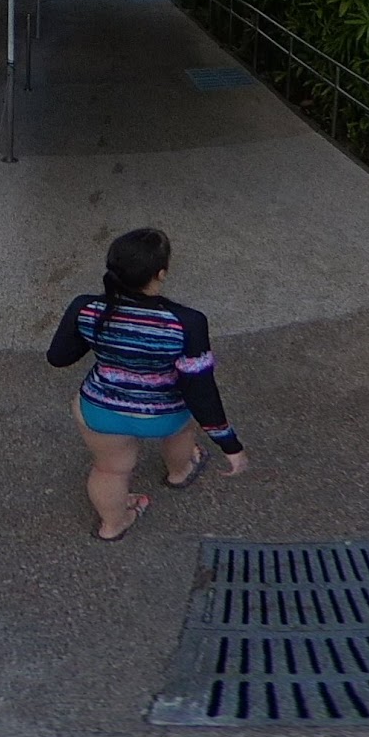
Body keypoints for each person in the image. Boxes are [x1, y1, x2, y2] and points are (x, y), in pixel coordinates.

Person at [44, 227, 247, 541]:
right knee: (181, 433)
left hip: (101, 411)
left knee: (110, 469)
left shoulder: (86, 308)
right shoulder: (188, 322)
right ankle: (180, 473)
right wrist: (228, 443)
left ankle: (113, 524)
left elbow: (59, 357)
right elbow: (200, 389)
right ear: (161, 273)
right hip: (163, 414)